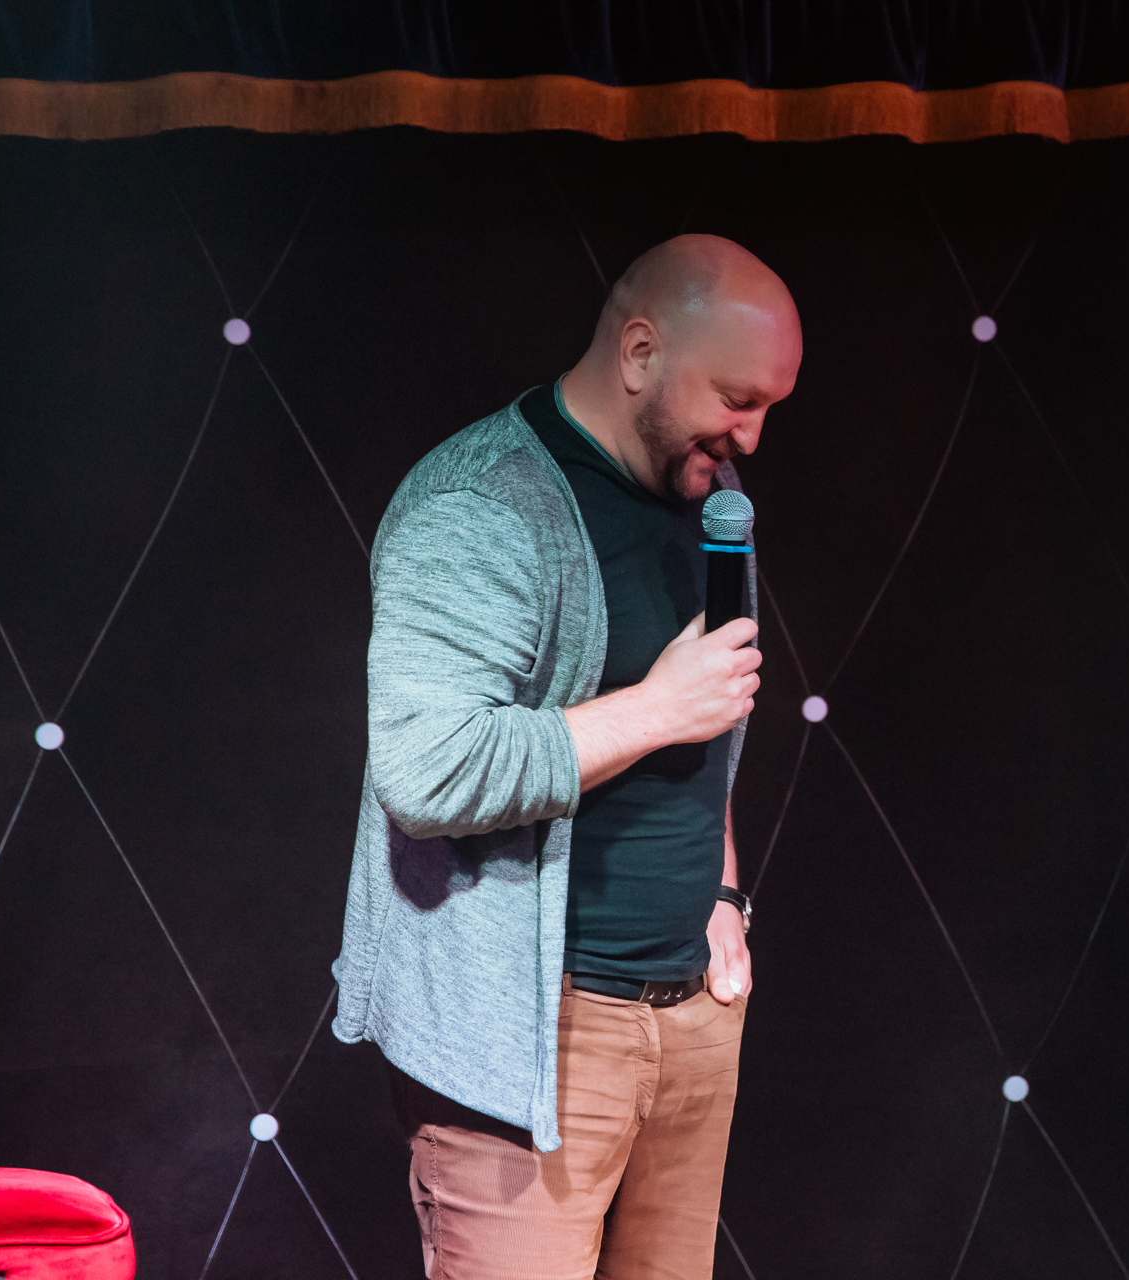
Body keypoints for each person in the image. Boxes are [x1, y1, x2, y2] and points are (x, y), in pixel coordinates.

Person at [330, 234, 804, 1279]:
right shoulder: (481, 504)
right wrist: (654, 708)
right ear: (639, 351)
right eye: (736, 399)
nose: (752, 437)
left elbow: (710, 715)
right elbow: (428, 768)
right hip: (531, 1041)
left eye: (770, 406)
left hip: (690, 1022)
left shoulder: (709, 501)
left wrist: (724, 892)